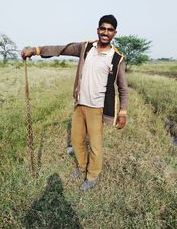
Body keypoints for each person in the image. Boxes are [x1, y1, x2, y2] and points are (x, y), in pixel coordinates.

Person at [21, 14, 128, 192]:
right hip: (79, 105)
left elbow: (123, 88)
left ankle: (92, 176)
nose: (105, 32)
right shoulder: (86, 48)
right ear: (98, 30)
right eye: (103, 28)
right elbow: (62, 49)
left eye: (109, 30)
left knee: (95, 145)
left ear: (114, 33)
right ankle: (81, 167)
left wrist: (123, 112)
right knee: (76, 140)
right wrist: (36, 50)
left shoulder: (117, 58)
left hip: (97, 109)